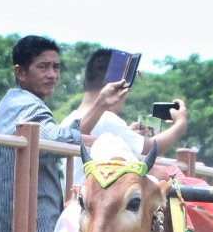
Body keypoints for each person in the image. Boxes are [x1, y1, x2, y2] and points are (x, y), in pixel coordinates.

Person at [0, 35, 128, 232]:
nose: (52, 74)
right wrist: (100, 105)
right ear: (20, 72)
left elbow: (57, 141)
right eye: (43, 67)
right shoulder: (27, 106)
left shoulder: (13, 102)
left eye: (56, 67)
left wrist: (100, 105)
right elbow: (60, 142)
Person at [61, 48, 188, 186]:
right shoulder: (107, 118)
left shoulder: (69, 120)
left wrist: (128, 132)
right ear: (118, 86)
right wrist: (180, 125)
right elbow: (148, 148)